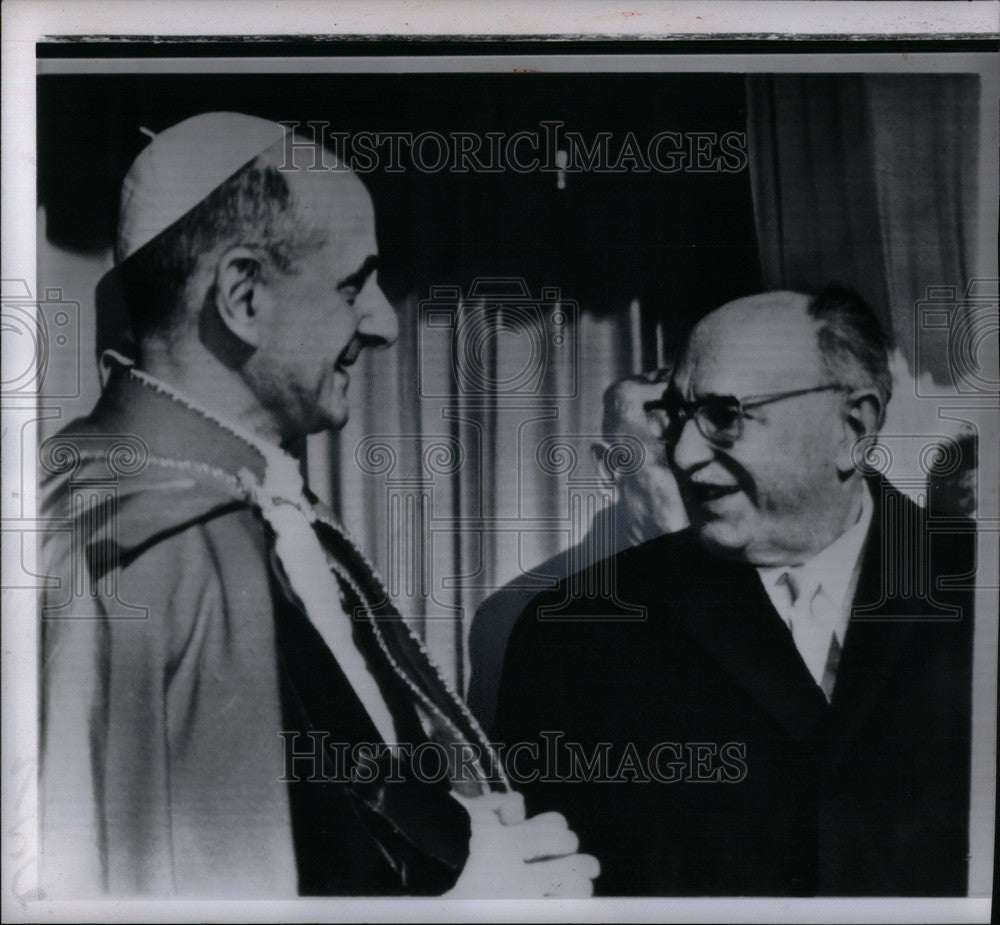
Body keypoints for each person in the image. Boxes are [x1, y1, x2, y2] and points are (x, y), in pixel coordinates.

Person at [38, 112, 598, 899]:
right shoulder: (173, 544)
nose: (383, 323)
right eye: (352, 284)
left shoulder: (150, 493)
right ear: (242, 296)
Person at [494, 287, 974, 896]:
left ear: (853, 427)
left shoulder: (980, 591)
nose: (685, 455)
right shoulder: (571, 632)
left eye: (725, 416)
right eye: (676, 415)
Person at [467, 369, 687, 731]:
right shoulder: (517, 617)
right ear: (608, 468)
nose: (703, 479)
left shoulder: (756, 587)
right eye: (670, 460)